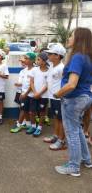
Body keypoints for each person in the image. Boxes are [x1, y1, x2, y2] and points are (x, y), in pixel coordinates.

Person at [54, 27, 92, 177]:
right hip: (84, 97)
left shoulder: (77, 57)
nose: (69, 38)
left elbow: (71, 84)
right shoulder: (87, 57)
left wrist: (57, 94)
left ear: (79, 39)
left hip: (74, 99)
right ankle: (87, 159)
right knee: (77, 130)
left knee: (72, 133)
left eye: (71, 36)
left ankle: (73, 166)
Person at [44, 45, 67, 150]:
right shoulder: (52, 65)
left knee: (61, 119)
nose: (48, 55)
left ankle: (61, 141)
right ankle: (56, 136)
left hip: (59, 98)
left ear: (57, 56)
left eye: (50, 54)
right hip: (52, 97)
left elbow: (66, 83)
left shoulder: (61, 68)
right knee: (56, 118)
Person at [29, 52, 49, 137]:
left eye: (38, 59)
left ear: (44, 62)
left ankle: (39, 128)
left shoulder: (49, 71)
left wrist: (39, 93)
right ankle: (33, 126)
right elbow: (31, 82)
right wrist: (35, 92)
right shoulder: (34, 69)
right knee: (32, 111)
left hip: (43, 96)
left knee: (42, 112)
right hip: (34, 95)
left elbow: (47, 85)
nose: (36, 61)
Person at [19, 52, 37, 134]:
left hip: (32, 95)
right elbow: (24, 83)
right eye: (25, 58)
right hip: (24, 93)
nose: (25, 60)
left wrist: (26, 93)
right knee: (25, 110)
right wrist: (22, 93)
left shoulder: (35, 70)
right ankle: (29, 125)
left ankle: (34, 126)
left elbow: (32, 84)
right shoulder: (24, 70)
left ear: (32, 60)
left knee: (31, 112)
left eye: (27, 58)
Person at [10, 56, 27, 133]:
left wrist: (20, 84)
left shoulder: (31, 71)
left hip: (25, 92)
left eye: (23, 62)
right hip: (19, 91)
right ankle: (23, 121)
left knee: (24, 108)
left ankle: (21, 123)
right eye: (21, 62)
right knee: (21, 107)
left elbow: (29, 84)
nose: (22, 63)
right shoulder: (22, 71)